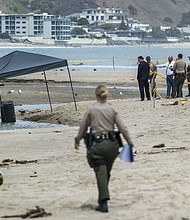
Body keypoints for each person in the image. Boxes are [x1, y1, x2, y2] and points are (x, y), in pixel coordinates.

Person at [74, 85, 134, 213]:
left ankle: (103, 202)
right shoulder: (112, 109)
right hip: (113, 145)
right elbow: (123, 128)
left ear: (96, 96)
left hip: (97, 145)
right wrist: (129, 142)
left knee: (101, 171)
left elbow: (83, 127)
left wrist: (77, 139)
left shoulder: (91, 109)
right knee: (105, 172)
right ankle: (103, 197)